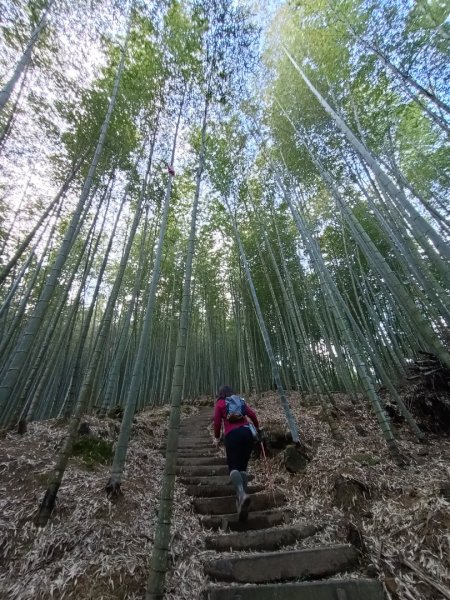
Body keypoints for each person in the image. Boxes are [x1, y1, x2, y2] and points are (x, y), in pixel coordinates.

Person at [213, 385, 260, 520]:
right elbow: (252, 415)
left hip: (232, 435)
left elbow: (217, 423)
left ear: (220, 393)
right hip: (247, 434)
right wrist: (257, 428)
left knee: (233, 468)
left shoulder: (220, 403)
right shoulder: (239, 400)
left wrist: (217, 437)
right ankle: (241, 504)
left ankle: (241, 494)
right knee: (242, 468)